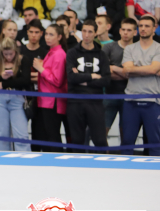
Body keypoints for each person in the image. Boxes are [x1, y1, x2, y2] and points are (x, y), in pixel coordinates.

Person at [66, 19, 111, 151]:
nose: (86, 35)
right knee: (77, 140)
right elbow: (71, 77)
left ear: (95, 33)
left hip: (95, 101)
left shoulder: (102, 54)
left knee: (100, 140)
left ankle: (103, 164)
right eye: (84, 31)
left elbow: (106, 80)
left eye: (90, 32)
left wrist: (81, 79)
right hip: (75, 101)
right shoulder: (72, 52)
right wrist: (92, 76)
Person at [0, 38, 32, 152]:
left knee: (21, 135)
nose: (9, 57)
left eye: (11, 54)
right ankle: (4, 159)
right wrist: (1, 77)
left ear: (16, 51)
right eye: (6, 54)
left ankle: (25, 159)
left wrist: (4, 83)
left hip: (17, 98)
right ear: (1, 53)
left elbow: (25, 80)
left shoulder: (23, 60)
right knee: (2, 135)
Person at [121, 15, 160, 156]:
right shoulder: (130, 48)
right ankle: (124, 169)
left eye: (147, 26)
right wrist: (149, 69)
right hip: (131, 100)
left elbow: (153, 69)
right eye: (141, 26)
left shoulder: (158, 48)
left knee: (155, 143)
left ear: (154, 28)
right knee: (127, 142)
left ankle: (156, 169)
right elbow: (127, 70)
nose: (143, 29)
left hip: (153, 101)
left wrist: (135, 69)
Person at [32, 24, 67, 152]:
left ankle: (57, 159)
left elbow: (58, 81)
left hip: (53, 101)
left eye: (51, 34)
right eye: (46, 34)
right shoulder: (52, 52)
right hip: (47, 99)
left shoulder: (59, 54)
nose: (47, 37)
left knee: (52, 135)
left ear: (59, 37)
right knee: (46, 134)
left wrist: (41, 69)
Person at [103, 19, 135, 138]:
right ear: (120, 31)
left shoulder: (137, 49)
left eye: (129, 30)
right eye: (123, 29)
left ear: (135, 32)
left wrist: (114, 68)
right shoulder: (108, 47)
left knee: (126, 134)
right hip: (109, 94)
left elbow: (136, 75)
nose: (125, 32)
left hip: (130, 97)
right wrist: (128, 74)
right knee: (102, 132)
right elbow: (104, 72)